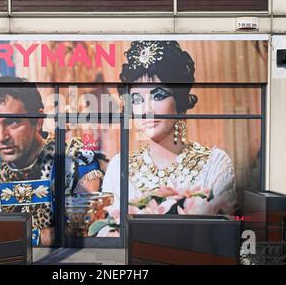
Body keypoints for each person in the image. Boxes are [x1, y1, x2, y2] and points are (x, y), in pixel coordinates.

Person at [99, 41, 237, 236]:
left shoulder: (214, 163)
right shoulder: (119, 166)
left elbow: (225, 237)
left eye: (158, 96)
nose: (146, 109)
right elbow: (106, 234)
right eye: (137, 100)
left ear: (179, 102)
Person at [0, 76, 104, 245]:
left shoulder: (76, 159)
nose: (1, 137)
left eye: (12, 122)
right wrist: (39, 237)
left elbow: (85, 227)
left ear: (38, 119)